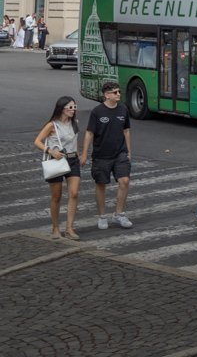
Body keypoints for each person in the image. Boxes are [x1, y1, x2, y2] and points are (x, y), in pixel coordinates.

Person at [80, 81, 133, 230]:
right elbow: (89, 133)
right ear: (106, 95)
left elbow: (126, 130)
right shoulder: (97, 112)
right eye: (115, 92)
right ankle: (102, 216)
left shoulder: (123, 110)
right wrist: (84, 153)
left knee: (124, 181)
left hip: (120, 153)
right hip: (101, 155)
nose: (118, 94)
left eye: (119, 92)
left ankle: (119, 214)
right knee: (101, 184)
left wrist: (129, 151)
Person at [34, 96, 82, 240]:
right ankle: (55, 227)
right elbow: (37, 141)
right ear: (62, 108)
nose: (73, 110)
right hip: (57, 160)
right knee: (56, 196)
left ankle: (69, 228)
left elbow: (75, 141)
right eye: (70, 107)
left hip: (73, 160)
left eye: (74, 107)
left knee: (74, 193)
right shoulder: (52, 125)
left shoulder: (75, 123)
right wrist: (50, 151)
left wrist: (79, 155)